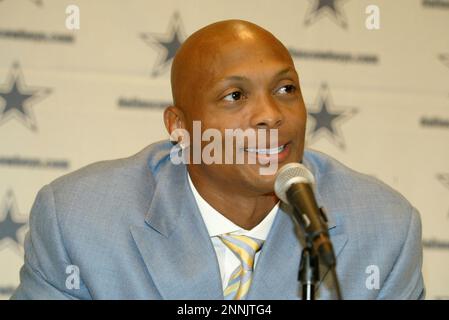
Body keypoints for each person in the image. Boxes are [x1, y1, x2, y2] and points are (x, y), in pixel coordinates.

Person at [12, 20, 424, 300]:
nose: (271, 114)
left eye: (286, 89)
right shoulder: (80, 221)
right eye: (235, 96)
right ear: (179, 126)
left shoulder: (385, 230)